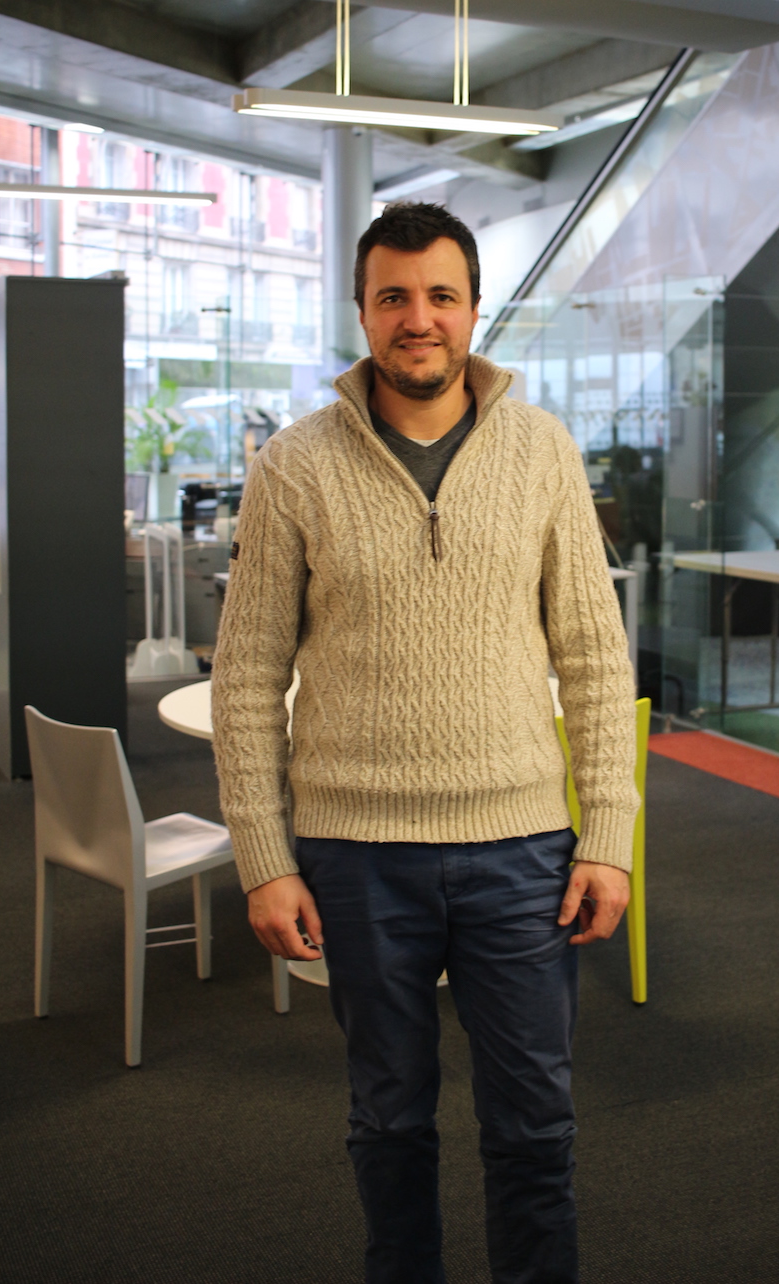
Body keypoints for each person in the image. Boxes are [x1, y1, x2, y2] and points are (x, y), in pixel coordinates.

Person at [212, 202, 638, 1284]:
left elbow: (593, 657)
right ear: (361, 311)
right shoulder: (294, 467)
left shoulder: (542, 450)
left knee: (534, 1132)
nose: (418, 320)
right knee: (390, 1127)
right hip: (357, 856)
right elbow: (249, 678)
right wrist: (265, 859)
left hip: (522, 850)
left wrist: (609, 837)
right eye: (393, 297)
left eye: (440, 296)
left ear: (473, 311)